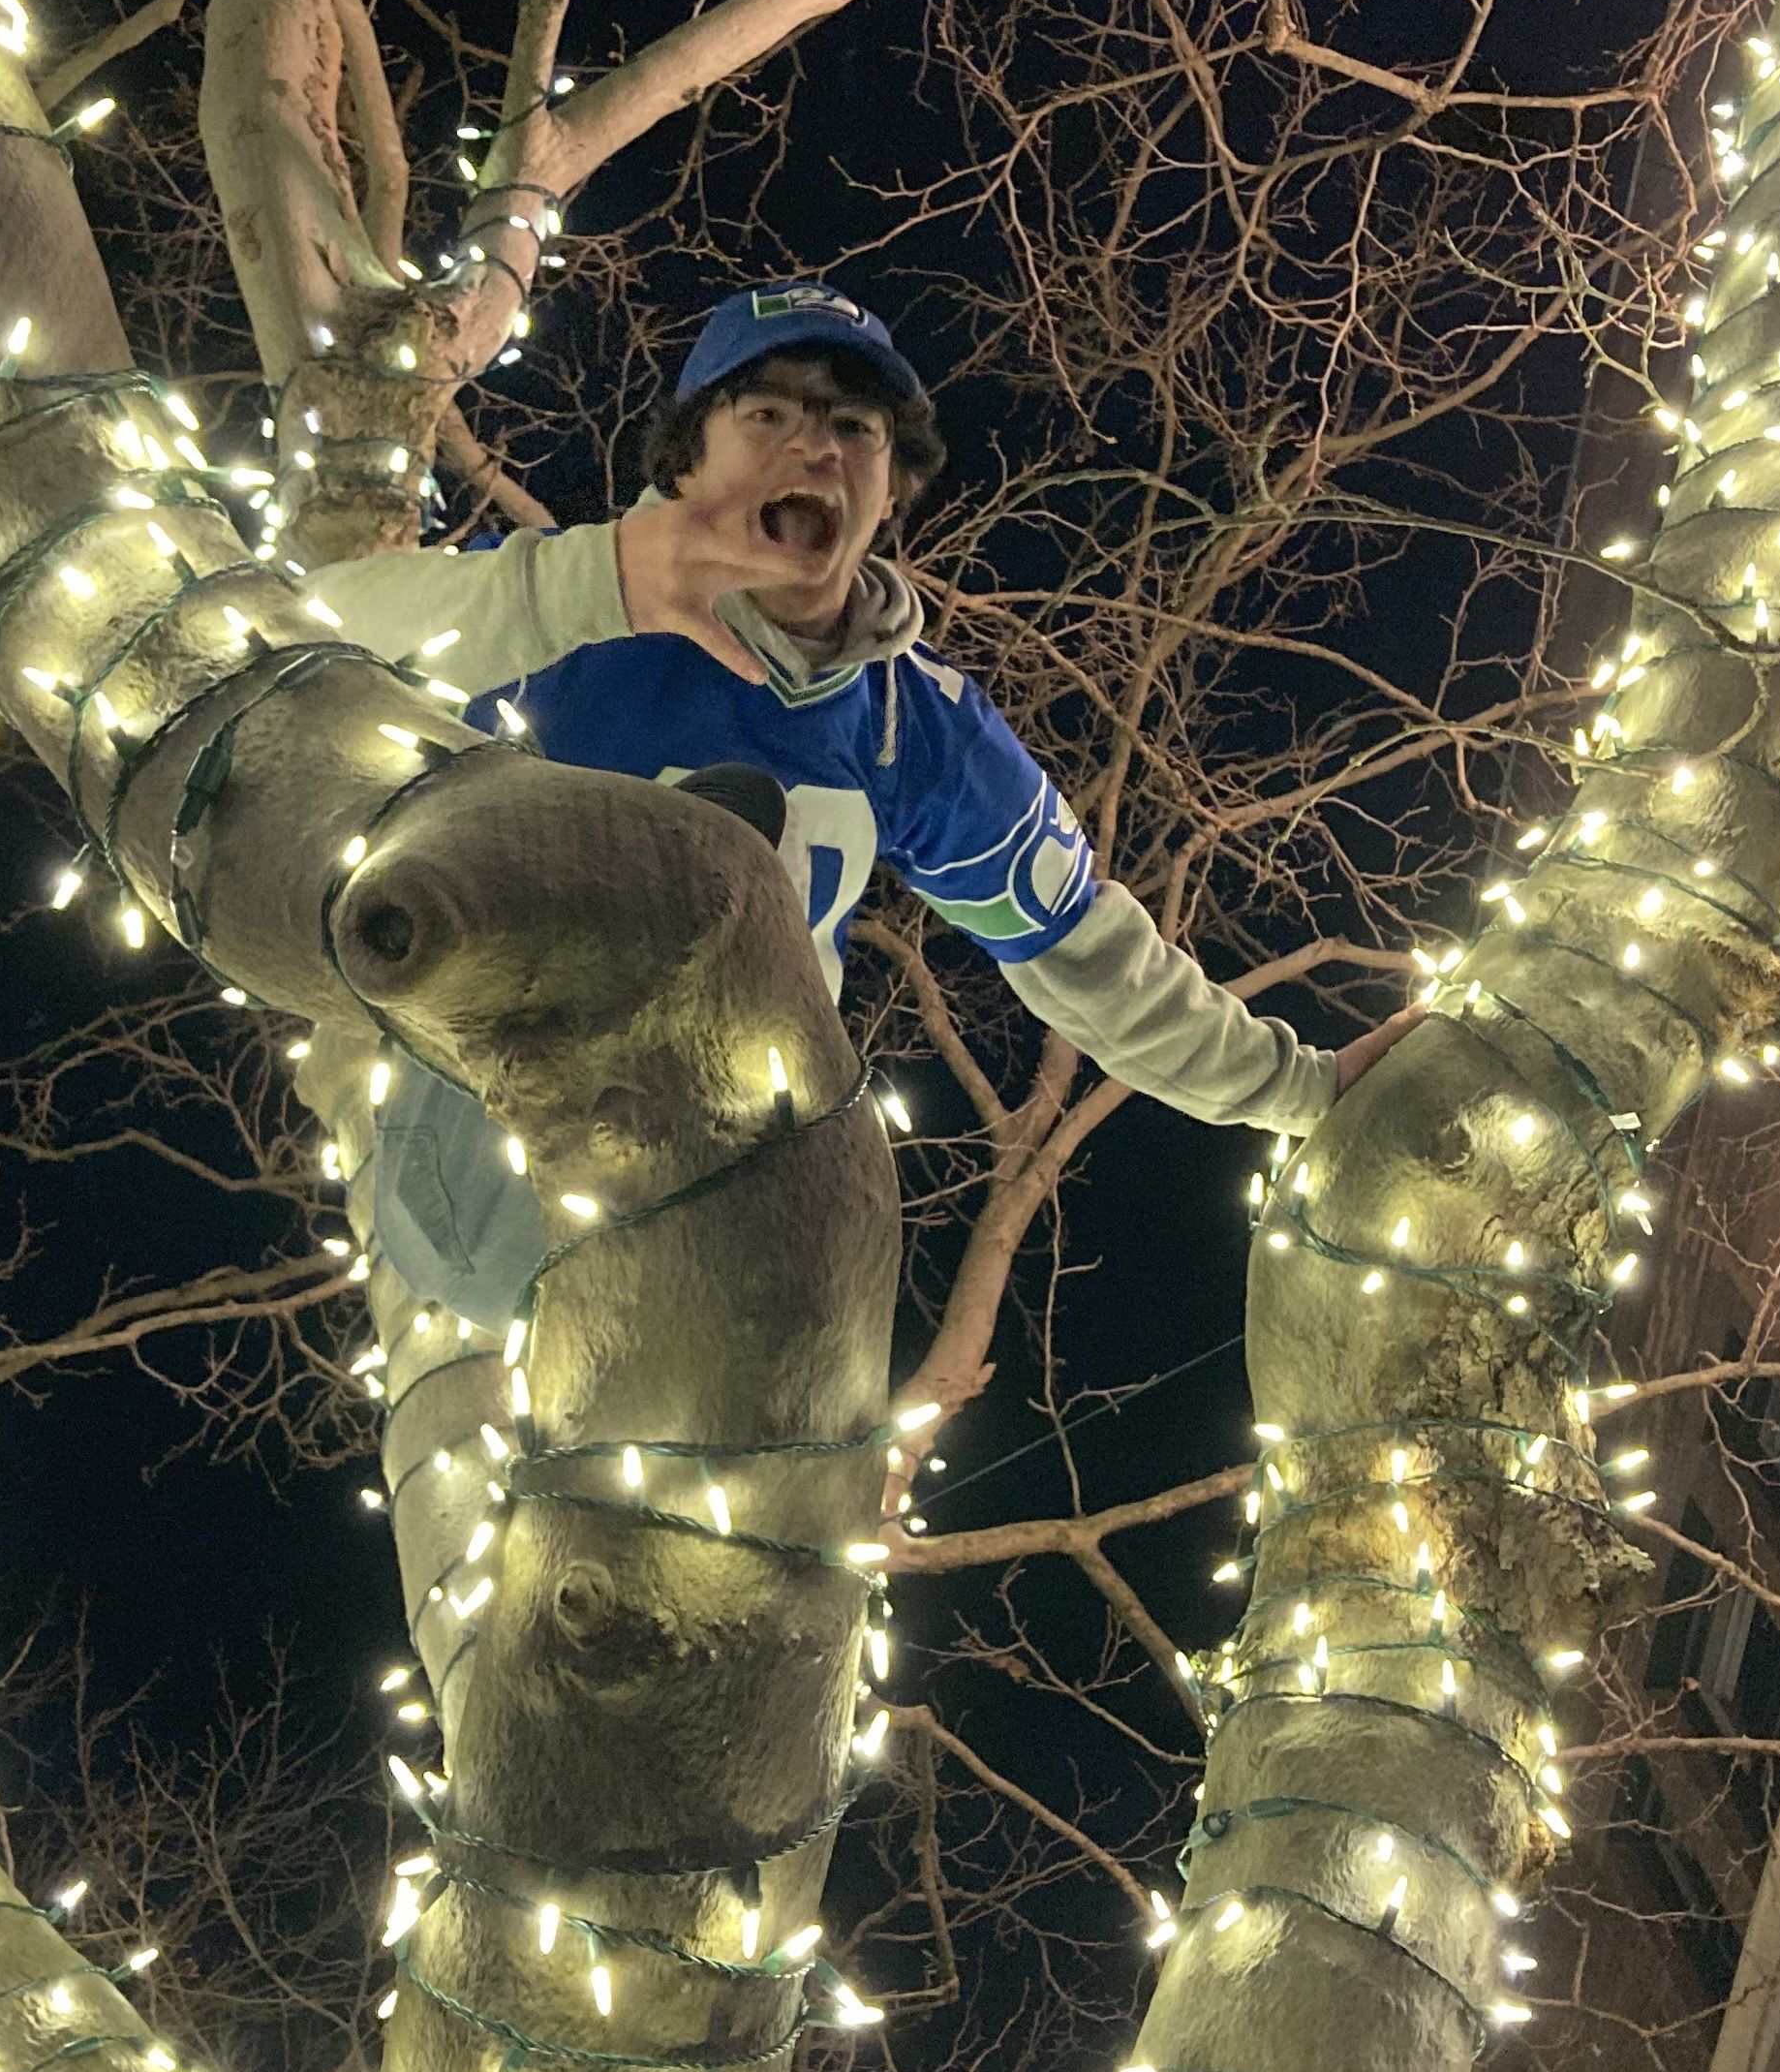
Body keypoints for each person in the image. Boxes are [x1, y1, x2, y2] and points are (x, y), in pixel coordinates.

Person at [303, 280, 1416, 1323]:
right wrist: (590, 582)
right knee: (697, 854)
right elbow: (288, 641)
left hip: (724, 1197)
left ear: (892, 487)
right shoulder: (566, 612)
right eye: (768, 413)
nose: (815, 448)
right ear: (686, 462)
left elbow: (1086, 950)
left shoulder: (914, 723)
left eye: (855, 429)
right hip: (494, 1143)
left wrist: (1303, 1089)